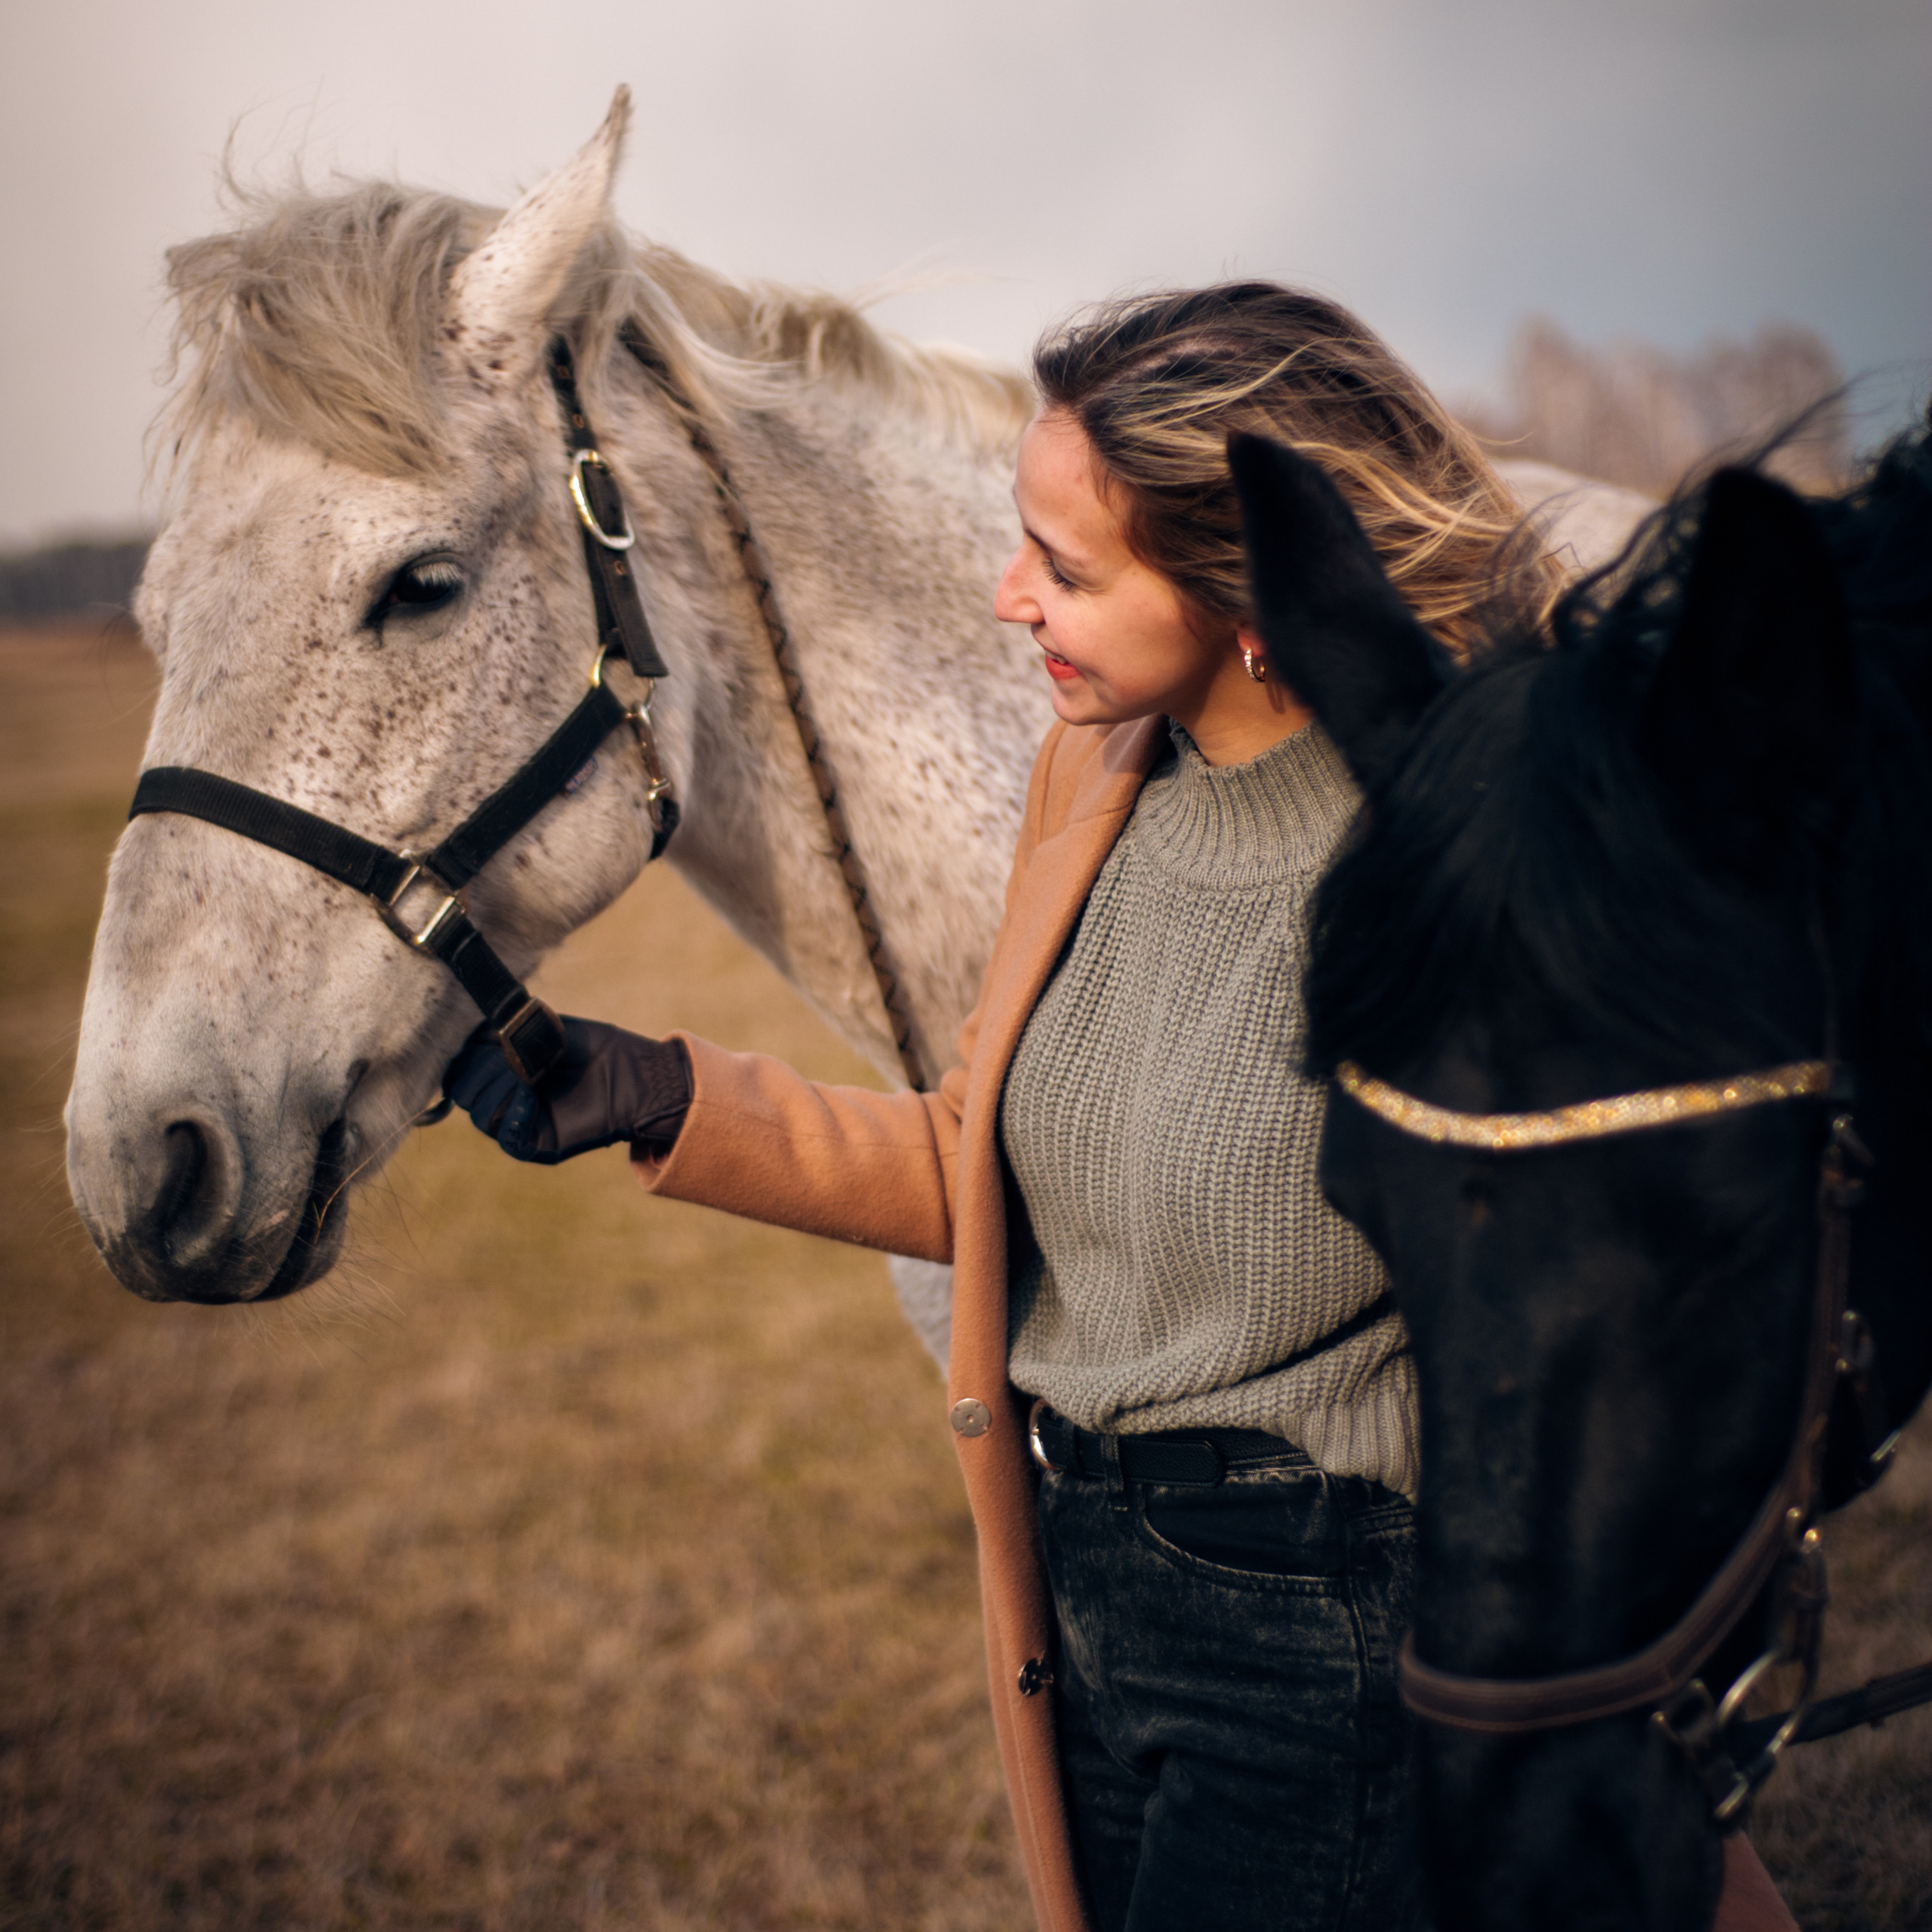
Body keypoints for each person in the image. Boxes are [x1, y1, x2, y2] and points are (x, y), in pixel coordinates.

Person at [445, 285, 1787, 1932]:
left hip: (1335, 1619)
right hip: (1081, 1587)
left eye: (1067, 570)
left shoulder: (1454, 854)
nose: (1011, 600)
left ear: (1255, 597)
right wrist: (653, 1096)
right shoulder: (1095, 784)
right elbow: (996, 1156)